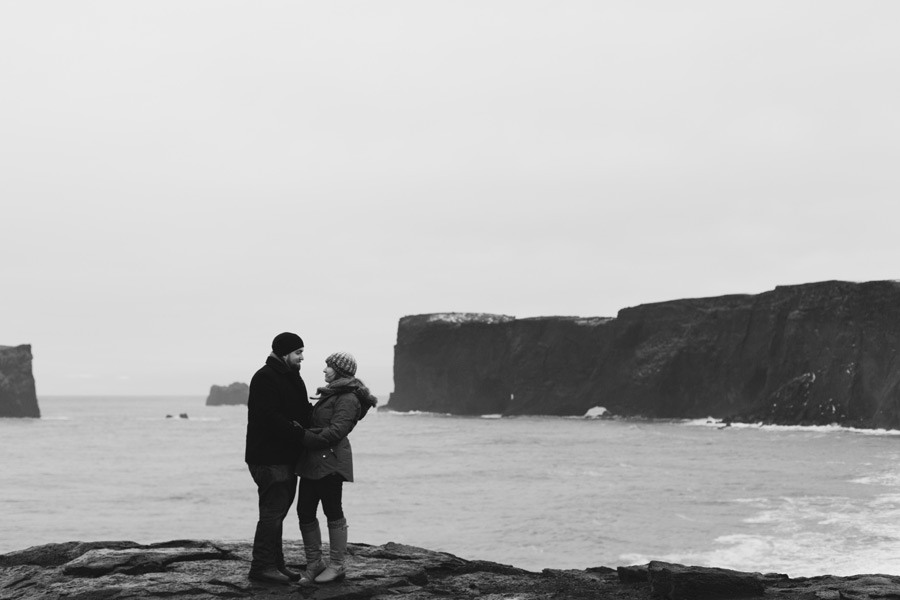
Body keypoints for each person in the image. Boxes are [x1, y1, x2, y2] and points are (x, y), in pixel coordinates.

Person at [294, 351, 377, 584]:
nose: (324, 370)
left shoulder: (348, 398)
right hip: (313, 461)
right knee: (305, 511)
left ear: (339, 370)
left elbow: (337, 432)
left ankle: (338, 565)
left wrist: (301, 435)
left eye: (328, 366)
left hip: (331, 462)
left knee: (332, 510)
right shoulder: (334, 394)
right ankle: (314, 564)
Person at [244, 332, 311, 584]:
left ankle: (276, 564)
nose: (302, 357)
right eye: (298, 352)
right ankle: (262, 566)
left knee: (278, 512)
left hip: (285, 455)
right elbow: (269, 417)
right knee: (272, 512)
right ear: (285, 353)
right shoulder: (265, 377)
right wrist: (299, 433)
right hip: (269, 457)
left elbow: (302, 411)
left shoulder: (291, 376)